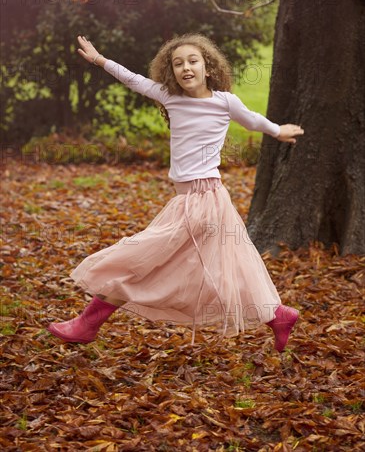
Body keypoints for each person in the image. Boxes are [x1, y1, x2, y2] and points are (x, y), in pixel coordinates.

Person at [48, 33, 304, 352]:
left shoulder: (224, 101)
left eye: (193, 61)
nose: (186, 68)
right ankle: (279, 316)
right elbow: (135, 80)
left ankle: (88, 324)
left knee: (137, 260)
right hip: (190, 200)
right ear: (172, 72)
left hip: (205, 200)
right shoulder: (171, 97)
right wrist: (101, 61)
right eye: (178, 63)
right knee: (222, 271)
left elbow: (253, 121)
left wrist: (279, 131)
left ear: (208, 68)